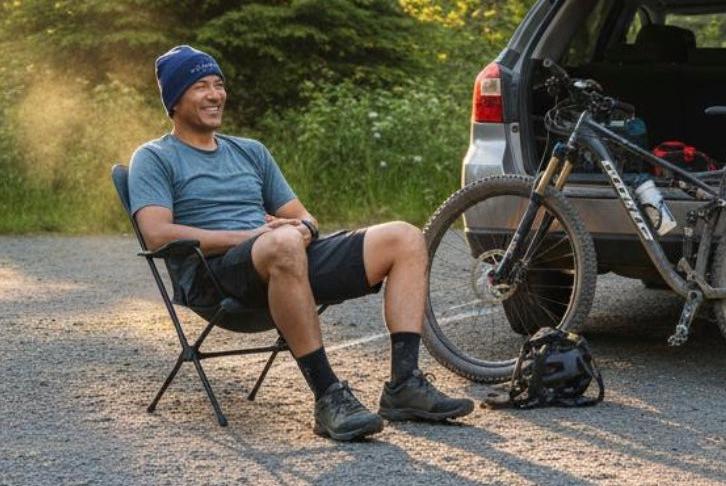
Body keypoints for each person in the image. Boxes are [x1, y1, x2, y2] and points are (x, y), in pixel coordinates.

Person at [128, 45, 474, 441]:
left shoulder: (250, 151)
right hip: (215, 274)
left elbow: (302, 215)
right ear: (174, 100)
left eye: (219, 85)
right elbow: (157, 234)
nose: (215, 94)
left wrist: (305, 229)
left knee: (405, 237)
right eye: (200, 86)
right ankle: (328, 396)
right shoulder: (154, 157)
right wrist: (257, 236)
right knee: (284, 245)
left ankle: (404, 386)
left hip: (284, 255)